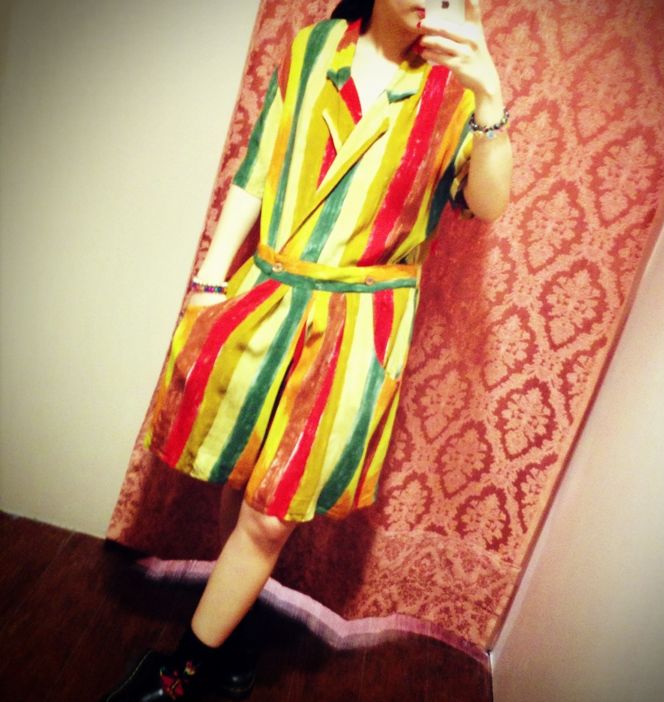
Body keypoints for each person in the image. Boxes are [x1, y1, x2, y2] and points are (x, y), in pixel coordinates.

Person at [100, 0, 512, 699]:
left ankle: (180, 677)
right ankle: (231, 638)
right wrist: (208, 280)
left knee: (270, 517)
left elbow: (487, 202)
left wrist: (490, 98)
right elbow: (258, 169)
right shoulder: (314, 48)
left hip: (359, 323)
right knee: (241, 476)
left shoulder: (458, 86)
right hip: (267, 296)